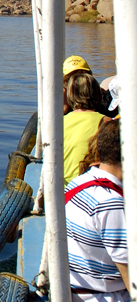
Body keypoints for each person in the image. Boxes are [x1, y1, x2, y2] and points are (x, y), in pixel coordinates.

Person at [66, 119, 129, 301]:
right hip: (105, 295)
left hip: (78, 287)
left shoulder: (80, 182)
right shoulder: (111, 203)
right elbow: (130, 276)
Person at [64, 71, 109, 185]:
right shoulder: (105, 121)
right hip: (88, 185)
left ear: (71, 95)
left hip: (63, 186)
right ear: (97, 94)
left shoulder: (59, 122)